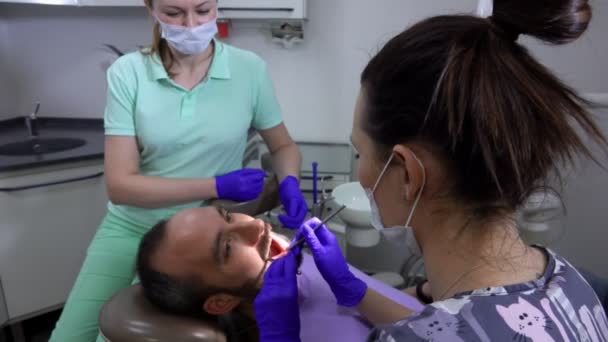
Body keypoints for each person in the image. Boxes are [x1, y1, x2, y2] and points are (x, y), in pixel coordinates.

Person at [254, 0, 608, 340]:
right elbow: (457, 327)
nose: (360, 173)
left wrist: (280, 336)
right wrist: (354, 289)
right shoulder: (571, 284)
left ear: (408, 173)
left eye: (360, 153)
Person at [49, 1, 308, 341]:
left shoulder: (248, 70)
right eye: (174, 13)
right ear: (151, 9)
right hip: (129, 225)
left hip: (193, 242)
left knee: (111, 337)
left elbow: (283, 146)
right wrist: (215, 183)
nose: (190, 24)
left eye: (202, 10)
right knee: (68, 336)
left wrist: (290, 182)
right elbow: (121, 186)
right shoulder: (128, 72)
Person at [135, 206, 424, 341]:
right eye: (227, 247)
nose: (255, 226)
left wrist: (422, 293)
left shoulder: (305, 263)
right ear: (221, 302)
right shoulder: (284, 333)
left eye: (228, 216)